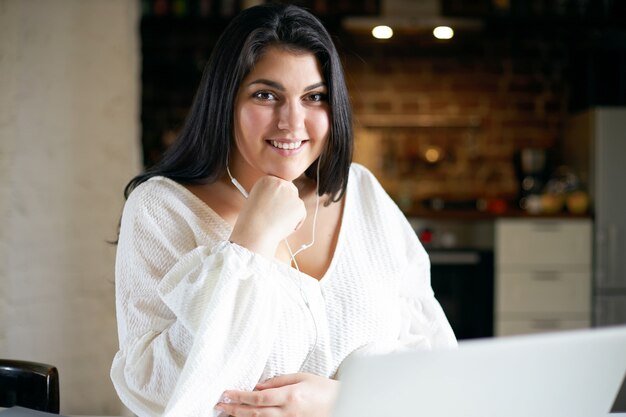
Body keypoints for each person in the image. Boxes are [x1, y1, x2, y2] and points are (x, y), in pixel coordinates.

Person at [110, 3, 456, 417]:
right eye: (266, 95)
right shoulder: (161, 209)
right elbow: (158, 392)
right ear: (226, 101)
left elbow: (433, 362)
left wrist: (343, 401)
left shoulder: (360, 191)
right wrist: (248, 244)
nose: (292, 123)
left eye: (314, 97)